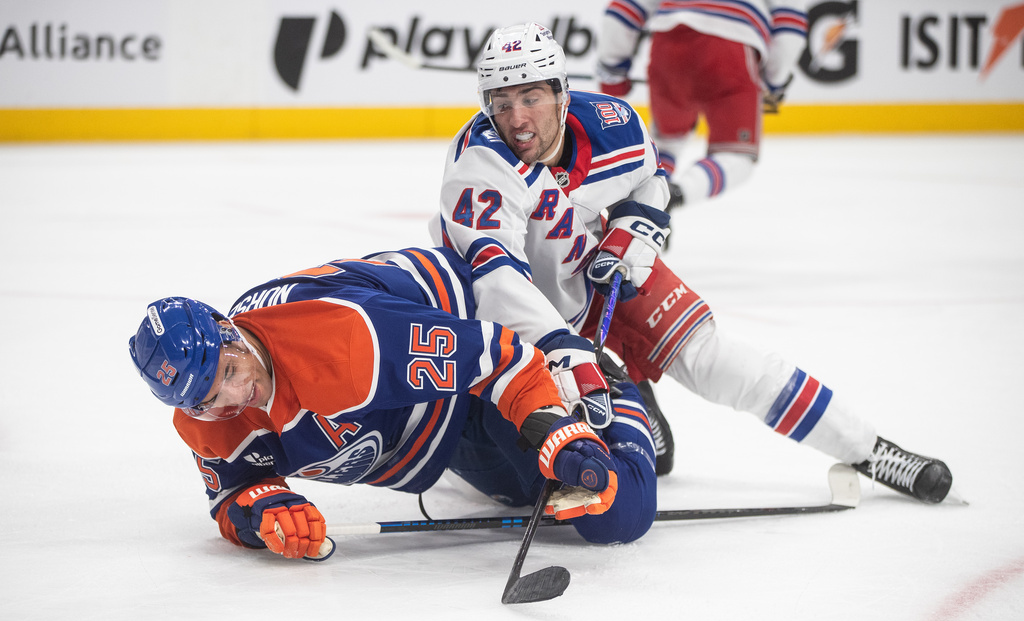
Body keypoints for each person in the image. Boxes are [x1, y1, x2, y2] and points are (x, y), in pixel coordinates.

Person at [426, 22, 953, 503]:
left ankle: (871, 450)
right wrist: (568, 353)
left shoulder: (615, 124)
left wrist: (632, 235)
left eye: (532, 97)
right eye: (501, 100)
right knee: (570, 469)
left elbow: (651, 182)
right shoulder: (481, 162)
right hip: (508, 316)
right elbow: (498, 279)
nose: (517, 119)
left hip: (588, 274)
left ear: (563, 95)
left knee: (717, 360)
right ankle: (627, 383)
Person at [128, 247, 659, 561]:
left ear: (230, 333)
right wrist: (264, 510)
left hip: (474, 341)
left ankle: (609, 384)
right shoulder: (205, 415)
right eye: (208, 403)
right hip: (429, 426)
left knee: (612, 511)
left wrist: (554, 430)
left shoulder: (348, 346)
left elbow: (501, 358)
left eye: (231, 373)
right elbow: (233, 494)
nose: (235, 399)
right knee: (528, 495)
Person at [595, 0, 809, 210]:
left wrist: (613, 67)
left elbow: (624, 8)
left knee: (666, 142)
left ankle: (646, 208)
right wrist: (774, 80)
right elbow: (789, 20)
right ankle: (675, 195)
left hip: (668, 43)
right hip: (733, 44)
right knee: (737, 157)